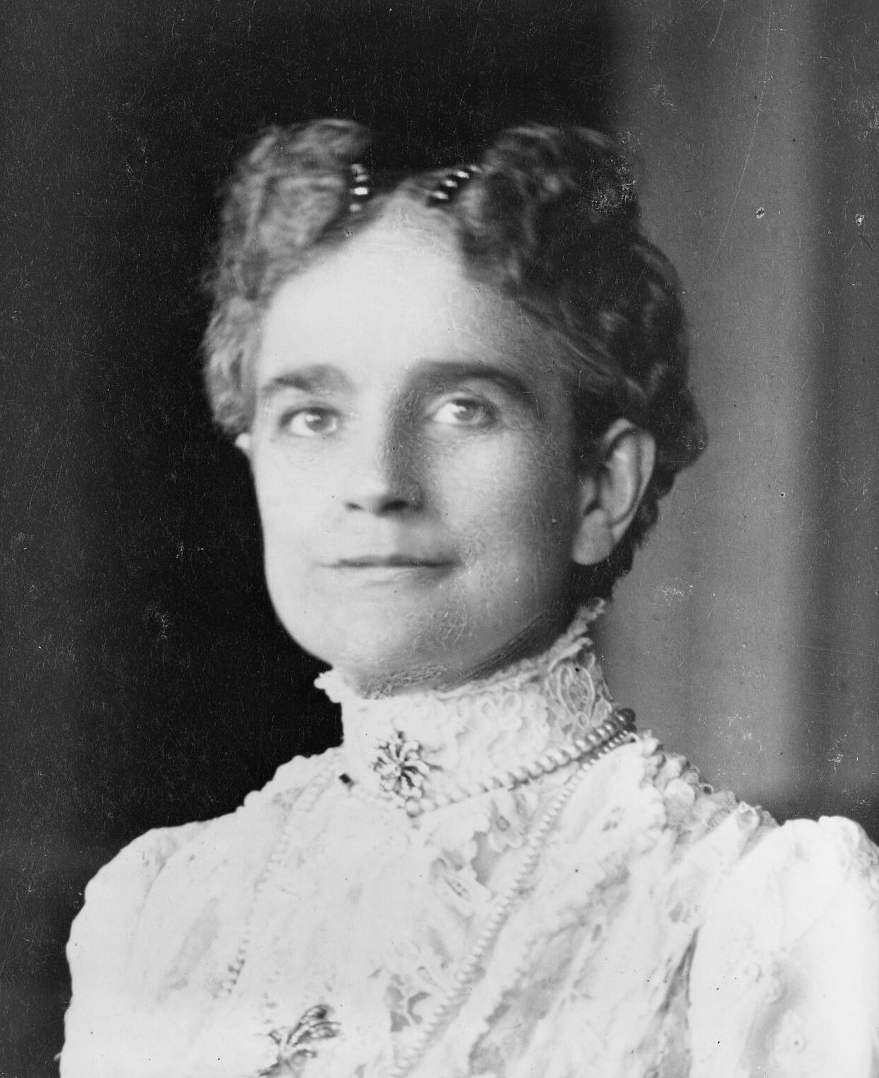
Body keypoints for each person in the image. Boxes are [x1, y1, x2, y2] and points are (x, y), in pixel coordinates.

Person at [60, 120, 879, 1077]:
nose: (376, 480)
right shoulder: (161, 911)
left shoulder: (753, 918)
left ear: (600, 488)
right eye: (312, 416)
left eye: (463, 408)